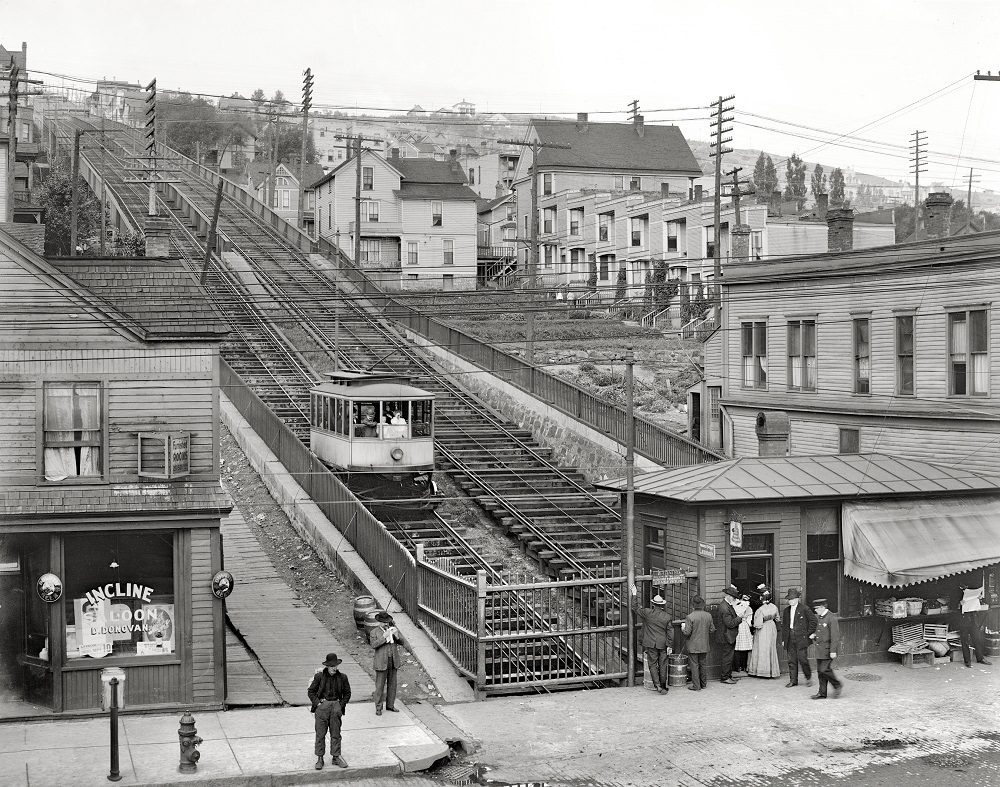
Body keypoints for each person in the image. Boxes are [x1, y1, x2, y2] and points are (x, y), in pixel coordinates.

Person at [308, 652, 351, 770]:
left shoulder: (343, 677)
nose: (334, 668)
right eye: (332, 666)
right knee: (320, 734)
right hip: (322, 708)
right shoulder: (319, 677)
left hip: (335, 707)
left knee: (336, 733)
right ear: (327, 666)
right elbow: (311, 692)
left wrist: (340, 705)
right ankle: (320, 758)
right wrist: (318, 703)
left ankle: (336, 757)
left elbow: (347, 693)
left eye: (336, 665)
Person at [631, 586, 672, 694]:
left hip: (650, 643)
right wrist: (669, 645)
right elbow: (670, 632)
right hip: (663, 644)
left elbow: (634, 608)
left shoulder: (647, 613)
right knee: (663, 664)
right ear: (662, 605)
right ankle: (663, 686)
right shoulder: (667, 617)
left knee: (652, 664)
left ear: (653, 604)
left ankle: (657, 685)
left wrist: (634, 593)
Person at [781, 587, 817, 688]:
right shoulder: (786, 611)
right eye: (789, 599)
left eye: (792, 599)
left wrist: (807, 633)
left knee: (803, 659)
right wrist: (784, 639)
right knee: (791, 660)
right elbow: (784, 626)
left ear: (797, 599)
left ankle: (808, 677)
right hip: (790, 637)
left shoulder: (804, 608)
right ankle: (793, 680)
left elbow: (814, 621)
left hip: (801, 638)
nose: (790, 601)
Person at [810, 598, 843, 699]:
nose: (815, 610)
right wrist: (814, 636)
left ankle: (837, 685)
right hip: (820, 649)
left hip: (828, 649)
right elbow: (821, 633)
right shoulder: (821, 616)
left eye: (816, 608)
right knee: (820, 671)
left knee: (824, 669)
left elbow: (835, 636)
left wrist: (833, 651)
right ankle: (822, 693)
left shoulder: (831, 618)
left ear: (822, 607)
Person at [682, 595, 715, 691]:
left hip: (693, 646)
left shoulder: (690, 617)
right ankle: (703, 684)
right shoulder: (708, 615)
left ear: (693, 605)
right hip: (704, 645)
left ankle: (696, 686)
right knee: (703, 664)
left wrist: (683, 628)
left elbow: (687, 632)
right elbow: (712, 629)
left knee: (694, 665)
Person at [370, 611, 400, 715]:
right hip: (381, 662)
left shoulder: (392, 629)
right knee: (380, 686)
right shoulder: (374, 632)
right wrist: (384, 637)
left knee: (392, 684)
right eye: (383, 622)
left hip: (393, 660)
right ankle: (378, 707)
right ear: (379, 622)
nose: (386, 624)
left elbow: (402, 642)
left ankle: (390, 705)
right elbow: (374, 645)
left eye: (387, 622)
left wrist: (397, 635)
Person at [747, 588, 781, 678]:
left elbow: (758, 624)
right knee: (771, 648)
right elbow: (777, 618)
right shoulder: (774, 607)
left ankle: (762, 671)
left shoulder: (760, 610)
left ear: (761, 598)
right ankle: (772, 671)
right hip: (772, 627)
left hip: (763, 628)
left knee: (762, 649)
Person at [957, 584, 993, 668]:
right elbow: (953, 606)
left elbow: (977, 602)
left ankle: (980, 658)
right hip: (963, 619)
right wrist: (959, 604)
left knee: (977, 638)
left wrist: (979, 598)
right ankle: (967, 661)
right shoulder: (957, 594)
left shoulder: (972, 592)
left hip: (973, 617)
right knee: (964, 640)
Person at [717, 584, 742, 684]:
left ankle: (728, 675)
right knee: (727, 658)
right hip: (727, 637)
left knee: (728, 657)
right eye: (734, 598)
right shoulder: (725, 607)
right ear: (730, 597)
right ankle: (725, 677)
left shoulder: (726, 605)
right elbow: (730, 624)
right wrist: (740, 617)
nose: (735, 600)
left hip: (727, 636)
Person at [733, 593, 754, 675]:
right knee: (745, 648)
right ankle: (744, 666)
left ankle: (737, 667)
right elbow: (749, 622)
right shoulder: (748, 608)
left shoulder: (735, 607)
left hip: (737, 625)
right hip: (744, 626)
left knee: (737, 647)